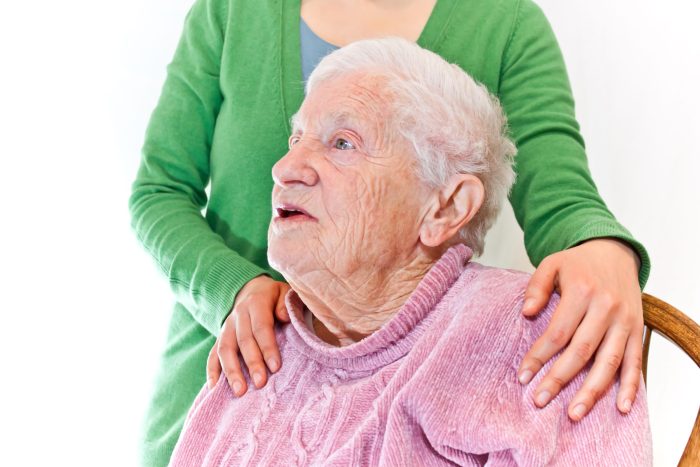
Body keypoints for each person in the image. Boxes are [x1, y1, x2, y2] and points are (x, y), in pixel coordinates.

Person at [129, 0, 650, 465]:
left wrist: (601, 248)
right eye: (295, 139)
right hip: (235, 374)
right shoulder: (232, 9)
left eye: (343, 143)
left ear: (448, 207)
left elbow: (560, 196)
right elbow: (159, 190)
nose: (284, 169)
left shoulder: (505, 23)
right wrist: (232, 290)